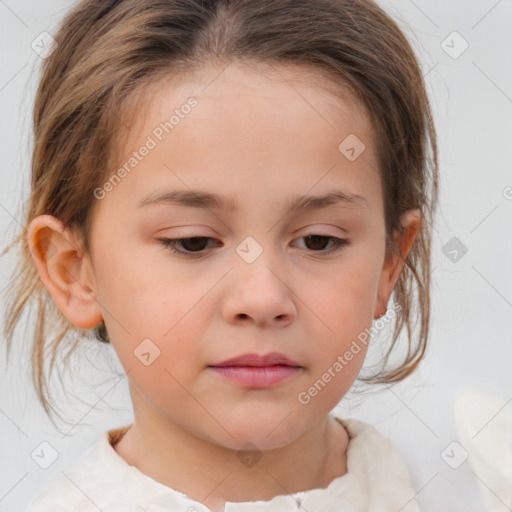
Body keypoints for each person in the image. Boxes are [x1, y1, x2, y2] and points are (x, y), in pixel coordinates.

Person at [2, 0, 439, 510]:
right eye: (193, 242)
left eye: (319, 240)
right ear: (74, 271)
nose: (262, 298)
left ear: (391, 262)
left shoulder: (468, 492)